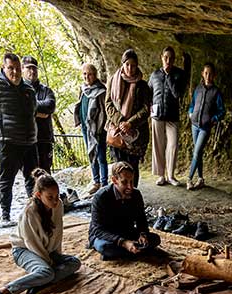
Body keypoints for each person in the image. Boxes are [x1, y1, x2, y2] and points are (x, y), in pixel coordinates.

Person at [0, 168, 81, 294]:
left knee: (75, 263)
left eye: (57, 196)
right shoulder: (29, 212)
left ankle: (39, 282)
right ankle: (3, 290)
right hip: (24, 250)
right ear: (38, 195)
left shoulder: (59, 205)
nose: (55, 201)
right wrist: (49, 262)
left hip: (47, 250)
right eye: (50, 197)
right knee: (47, 272)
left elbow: (57, 234)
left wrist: (56, 256)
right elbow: (32, 242)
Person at [0, 52, 39, 223]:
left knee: (33, 178)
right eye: (10, 68)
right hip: (8, 142)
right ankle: (5, 215)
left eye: (18, 68)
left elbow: (34, 111)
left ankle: (34, 210)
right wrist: (0, 131)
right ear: (3, 68)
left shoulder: (28, 89)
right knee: (7, 179)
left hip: (29, 141)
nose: (15, 72)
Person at [88, 161, 160, 260]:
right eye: (124, 182)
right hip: (105, 235)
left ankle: (121, 253)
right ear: (114, 180)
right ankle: (128, 251)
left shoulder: (136, 194)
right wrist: (123, 242)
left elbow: (141, 220)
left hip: (125, 231)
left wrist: (142, 234)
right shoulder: (101, 197)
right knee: (105, 247)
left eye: (131, 181)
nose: (130, 187)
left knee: (155, 239)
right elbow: (98, 230)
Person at [105, 49, 151, 186]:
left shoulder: (142, 85)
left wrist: (130, 123)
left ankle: (132, 193)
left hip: (135, 135)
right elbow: (108, 104)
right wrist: (120, 121)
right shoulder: (113, 81)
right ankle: (120, 194)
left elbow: (146, 109)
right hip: (117, 132)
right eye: (127, 65)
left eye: (133, 65)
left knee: (132, 167)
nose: (130, 68)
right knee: (118, 167)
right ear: (123, 64)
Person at [148, 46, 187, 186]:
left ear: (174, 59)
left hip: (172, 115)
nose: (168, 61)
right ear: (162, 58)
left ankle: (171, 175)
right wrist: (150, 106)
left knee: (173, 144)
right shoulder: (154, 75)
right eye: (166, 57)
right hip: (157, 114)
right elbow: (149, 92)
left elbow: (177, 94)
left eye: (171, 58)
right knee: (158, 145)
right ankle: (161, 175)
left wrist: (169, 76)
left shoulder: (179, 74)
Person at [186, 62, 225, 191]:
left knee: (196, 152)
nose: (208, 76)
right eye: (206, 73)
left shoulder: (216, 92)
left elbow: (222, 111)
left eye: (210, 74)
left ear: (214, 75)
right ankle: (201, 179)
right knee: (199, 153)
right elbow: (192, 104)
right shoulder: (198, 89)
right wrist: (190, 112)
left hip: (205, 127)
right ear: (202, 74)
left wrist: (213, 119)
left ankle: (189, 179)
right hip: (194, 125)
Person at [74, 62, 108, 195]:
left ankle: (104, 183)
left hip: (98, 129)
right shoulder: (83, 89)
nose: (87, 77)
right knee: (91, 154)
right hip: (85, 128)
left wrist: (99, 128)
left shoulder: (101, 91)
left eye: (90, 74)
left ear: (95, 75)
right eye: (84, 74)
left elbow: (104, 112)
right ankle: (96, 182)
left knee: (101, 156)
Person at [21, 55, 57, 174]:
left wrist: (29, 110)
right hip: (25, 140)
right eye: (29, 68)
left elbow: (50, 106)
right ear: (22, 69)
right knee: (29, 174)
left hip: (44, 139)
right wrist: (38, 112)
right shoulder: (18, 90)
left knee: (45, 173)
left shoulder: (46, 90)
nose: (32, 71)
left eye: (34, 68)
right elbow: (17, 107)